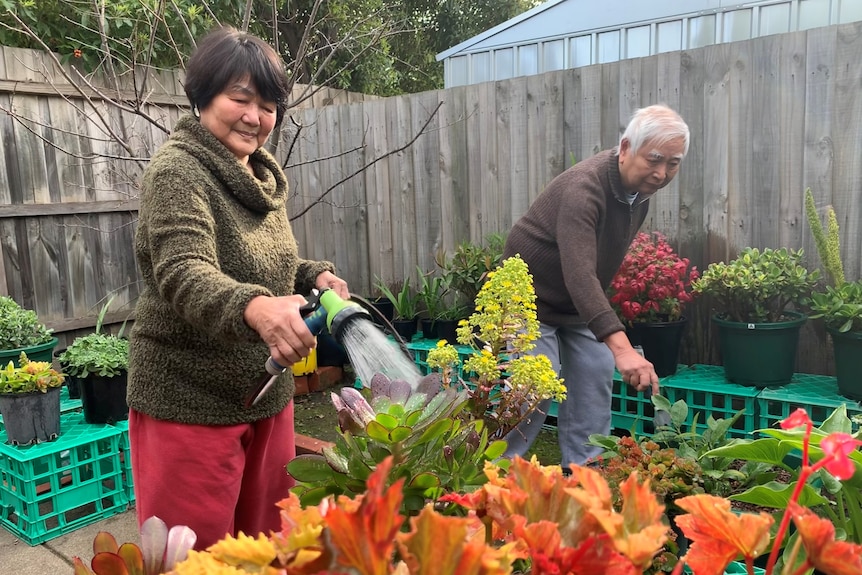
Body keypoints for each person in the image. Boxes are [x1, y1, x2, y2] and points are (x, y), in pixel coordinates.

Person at [127, 26, 349, 549]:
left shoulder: (260, 177)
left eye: (268, 105)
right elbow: (184, 271)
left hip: (266, 396)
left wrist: (312, 274)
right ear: (203, 97)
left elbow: (268, 262)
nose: (255, 117)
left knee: (267, 545)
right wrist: (254, 307)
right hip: (188, 400)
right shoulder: (178, 172)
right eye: (240, 98)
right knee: (197, 556)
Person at [502, 104, 690, 468]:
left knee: (595, 375)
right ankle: (499, 476)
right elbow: (580, 274)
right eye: (653, 159)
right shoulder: (583, 189)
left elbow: (593, 270)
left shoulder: (638, 197)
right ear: (624, 149)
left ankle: (586, 478)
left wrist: (610, 346)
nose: (661, 172)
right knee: (531, 391)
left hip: (574, 305)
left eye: (673, 163)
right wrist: (622, 349)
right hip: (528, 298)